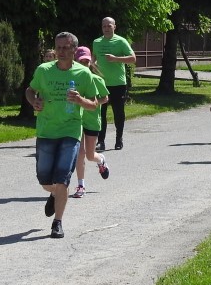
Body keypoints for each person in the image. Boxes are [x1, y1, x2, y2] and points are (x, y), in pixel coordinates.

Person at [26, 32, 101, 239]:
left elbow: (94, 103)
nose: (61, 51)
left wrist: (80, 101)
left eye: (65, 47)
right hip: (46, 131)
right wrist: (34, 101)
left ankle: (57, 223)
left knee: (63, 179)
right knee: (44, 180)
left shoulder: (83, 74)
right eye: (58, 47)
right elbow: (30, 90)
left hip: (70, 131)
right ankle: (54, 193)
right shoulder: (44, 70)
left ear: (74, 50)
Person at [70, 46, 111, 198]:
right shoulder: (72, 79)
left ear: (90, 62)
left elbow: (105, 98)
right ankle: (81, 185)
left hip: (92, 119)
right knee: (80, 153)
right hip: (77, 120)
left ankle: (100, 160)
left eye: (86, 62)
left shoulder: (96, 79)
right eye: (81, 62)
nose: (84, 65)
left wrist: (91, 102)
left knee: (89, 155)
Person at [93, 16, 136, 152]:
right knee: (101, 113)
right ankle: (101, 141)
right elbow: (93, 58)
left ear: (114, 27)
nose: (106, 28)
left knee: (118, 113)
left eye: (109, 26)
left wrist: (115, 59)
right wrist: (92, 64)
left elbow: (133, 58)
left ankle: (119, 139)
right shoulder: (96, 42)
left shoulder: (121, 41)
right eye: (104, 26)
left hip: (118, 83)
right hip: (101, 83)